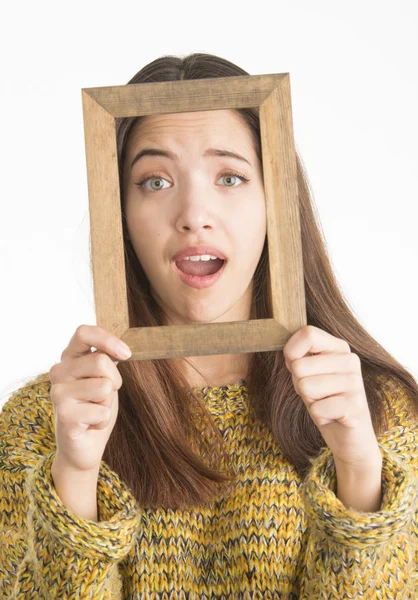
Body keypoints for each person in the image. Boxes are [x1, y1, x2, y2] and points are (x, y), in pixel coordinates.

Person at [1, 52, 417, 599]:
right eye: (154, 181)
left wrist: (360, 473)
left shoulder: (381, 415)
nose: (194, 213)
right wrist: (75, 476)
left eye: (229, 176)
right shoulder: (43, 423)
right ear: (117, 211)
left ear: (276, 202)